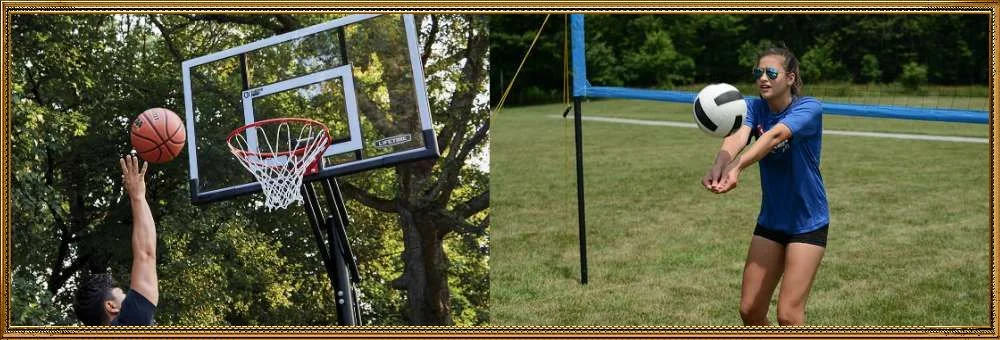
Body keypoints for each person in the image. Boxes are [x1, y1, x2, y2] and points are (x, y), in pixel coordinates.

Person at [701, 47, 828, 326]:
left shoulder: (809, 108)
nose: (763, 78)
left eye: (771, 72)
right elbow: (738, 136)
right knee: (750, 311)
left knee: (788, 315)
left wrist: (738, 167)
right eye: (758, 72)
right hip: (771, 220)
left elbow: (774, 135)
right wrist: (719, 165)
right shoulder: (753, 106)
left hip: (807, 222)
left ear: (791, 78)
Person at [73, 155, 158, 326]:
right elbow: (145, 255)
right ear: (111, 306)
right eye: (124, 296)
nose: (130, 298)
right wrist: (137, 196)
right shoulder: (130, 321)